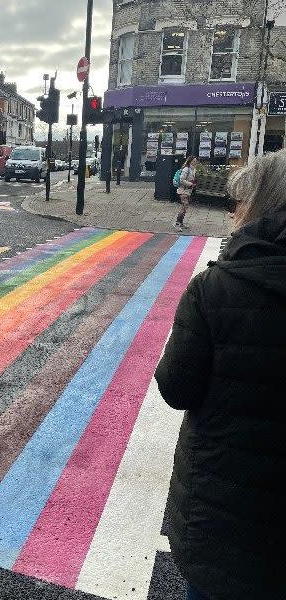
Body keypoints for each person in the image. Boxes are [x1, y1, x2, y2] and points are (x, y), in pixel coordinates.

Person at [155, 149, 286, 600]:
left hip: (223, 511)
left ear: (262, 207)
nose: (235, 212)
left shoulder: (216, 288)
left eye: (241, 202)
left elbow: (176, 387)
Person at [175, 156, 197, 232]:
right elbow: (181, 180)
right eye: (193, 161)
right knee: (184, 207)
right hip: (183, 191)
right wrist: (190, 184)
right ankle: (177, 224)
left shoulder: (193, 169)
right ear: (189, 161)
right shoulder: (186, 169)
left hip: (188, 191)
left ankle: (181, 223)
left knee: (185, 208)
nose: (195, 162)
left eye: (195, 161)